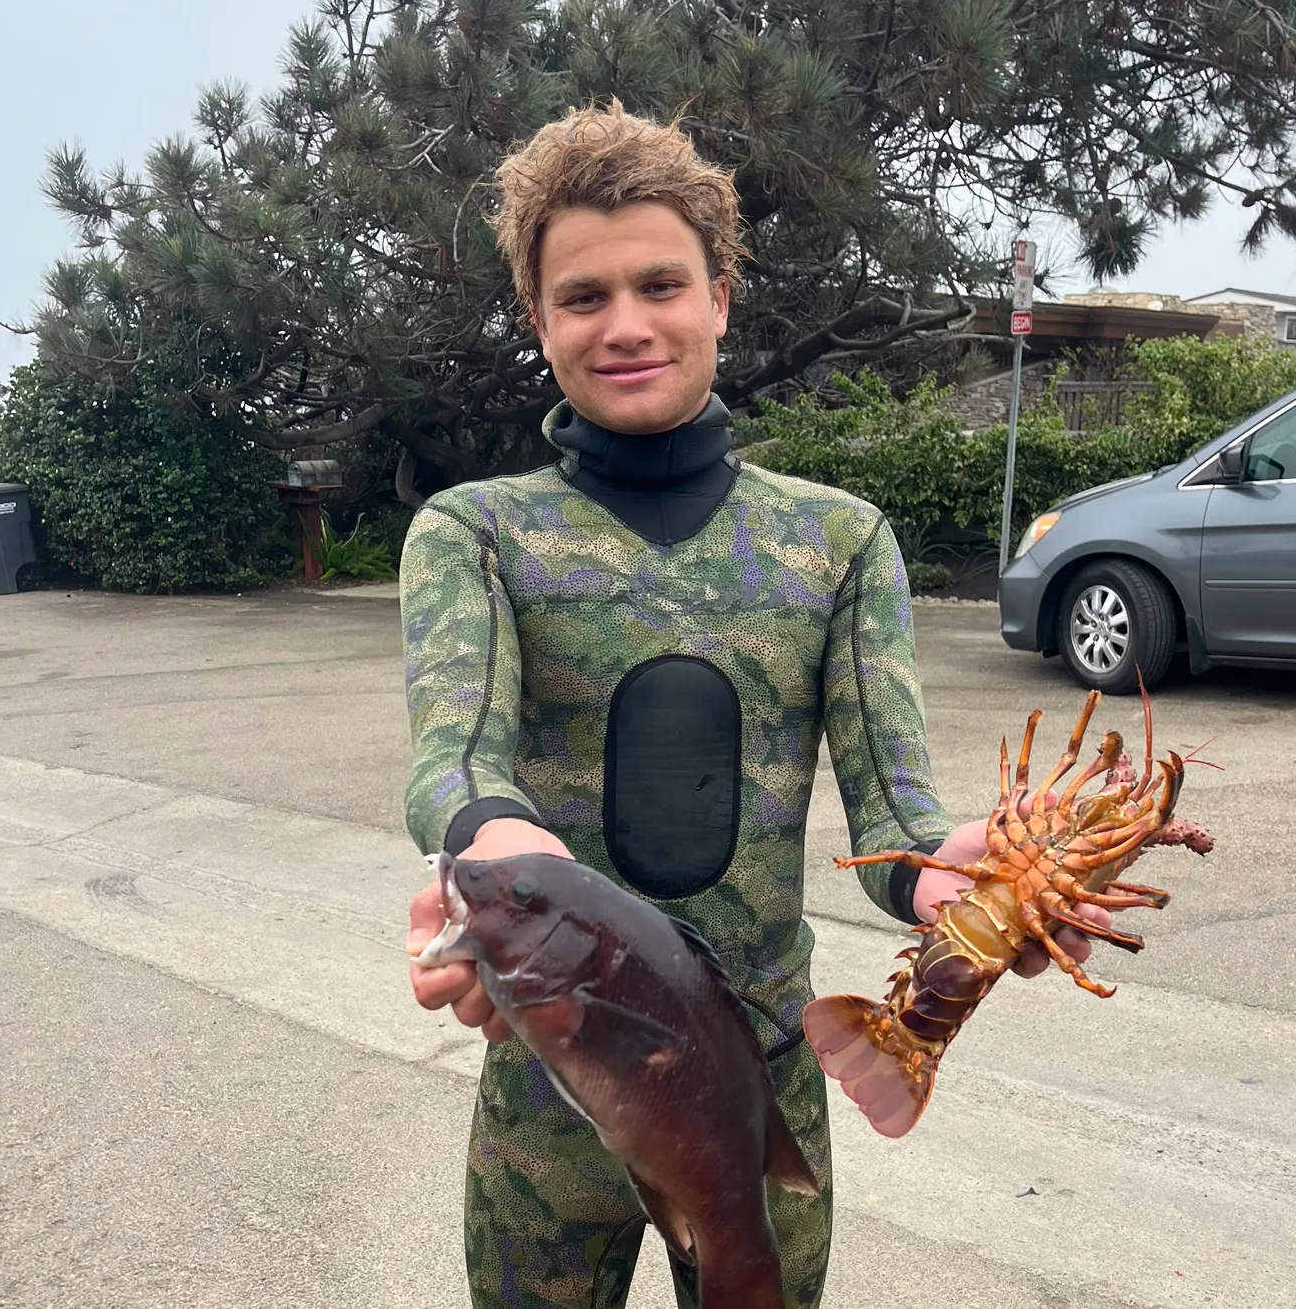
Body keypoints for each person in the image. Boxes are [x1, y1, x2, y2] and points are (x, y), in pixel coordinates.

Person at [401, 101, 1108, 1309]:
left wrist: (953, 879)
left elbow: (894, 814)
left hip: (762, 1076)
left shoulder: (837, 540)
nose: (626, 325)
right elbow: (455, 761)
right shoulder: (476, 531)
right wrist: (502, 857)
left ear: (721, 295)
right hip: (549, 1090)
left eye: (661, 284)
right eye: (583, 297)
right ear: (539, 319)